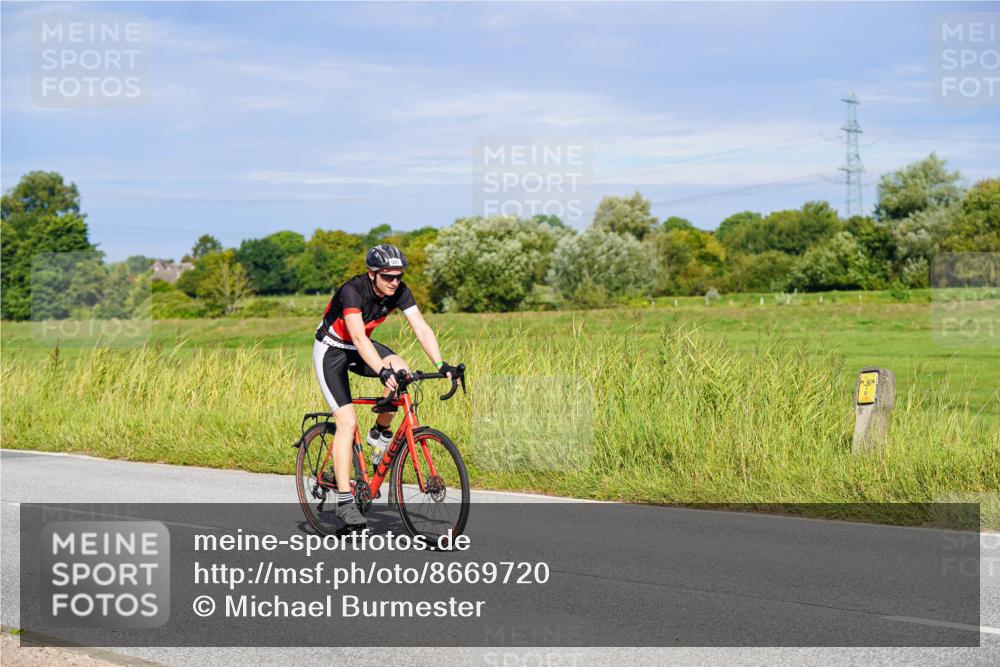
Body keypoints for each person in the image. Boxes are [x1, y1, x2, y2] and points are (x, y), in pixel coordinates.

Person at [312, 243, 460, 527]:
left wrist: (442, 365)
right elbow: (357, 336)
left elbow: (421, 327)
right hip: (332, 350)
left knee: (401, 370)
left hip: (360, 348)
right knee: (346, 422)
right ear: (372, 274)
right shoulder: (353, 290)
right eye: (388, 276)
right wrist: (381, 370)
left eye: (398, 276)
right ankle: (344, 501)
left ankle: (378, 434)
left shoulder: (400, 291)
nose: (394, 282)